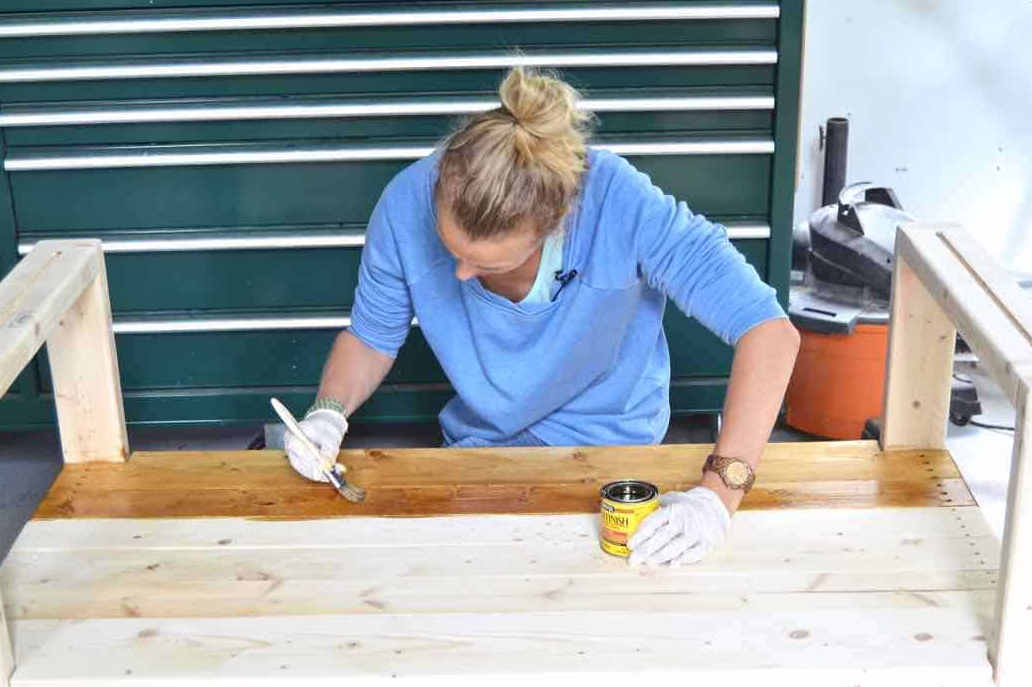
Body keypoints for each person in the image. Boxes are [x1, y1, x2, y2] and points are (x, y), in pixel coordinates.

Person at [284, 65, 799, 567]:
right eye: (451, 249)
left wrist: (717, 496)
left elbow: (769, 332)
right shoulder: (404, 204)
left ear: (556, 222)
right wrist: (328, 412)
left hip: (617, 450)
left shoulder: (619, 203)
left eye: (488, 262)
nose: (460, 275)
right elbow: (371, 338)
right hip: (480, 450)